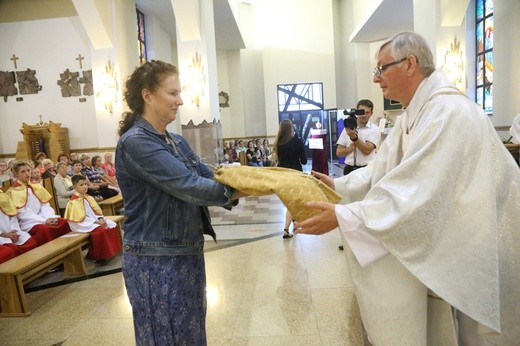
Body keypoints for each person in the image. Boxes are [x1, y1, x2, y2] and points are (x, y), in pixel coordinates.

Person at [295, 32, 520, 345]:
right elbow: (382, 170)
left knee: (466, 332)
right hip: (446, 236)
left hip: (470, 242)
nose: (376, 79)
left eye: (381, 68)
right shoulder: (412, 115)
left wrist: (346, 216)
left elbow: (418, 188)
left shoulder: (448, 113)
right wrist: (337, 185)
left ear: (410, 64)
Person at [115, 60, 241, 345]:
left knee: (191, 331)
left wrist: (252, 181)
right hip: (153, 258)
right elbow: (189, 186)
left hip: (186, 251)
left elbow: (209, 175)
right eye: (172, 93)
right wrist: (244, 191)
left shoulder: (175, 141)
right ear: (147, 95)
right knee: (163, 336)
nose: (180, 100)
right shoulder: (136, 143)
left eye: (179, 92)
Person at [7, 161, 71, 246]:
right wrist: (43, 221)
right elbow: (22, 213)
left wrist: (49, 217)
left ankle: (68, 250)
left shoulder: (36, 187)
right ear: (16, 174)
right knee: (44, 229)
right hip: (28, 222)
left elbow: (44, 204)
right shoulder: (13, 191)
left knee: (63, 222)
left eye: (28, 170)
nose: (27, 173)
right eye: (23, 172)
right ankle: (51, 254)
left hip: (43, 217)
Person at [64, 175, 121, 262]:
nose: (85, 187)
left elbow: (95, 212)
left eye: (86, 184)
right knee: (99, 231)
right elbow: (80, 218)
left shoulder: (88, 197)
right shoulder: (73, 201)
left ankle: (112, 251)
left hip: (92, 221)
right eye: (81, 185)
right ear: (75, 187)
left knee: (111, 224)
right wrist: (96, 222)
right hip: (80, 224)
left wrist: (100, 218)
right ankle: (96, 256)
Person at [273, 119, 307, 239]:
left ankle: (295, 223)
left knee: (290, 200)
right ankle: (286, 229)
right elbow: (304, 161)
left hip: (282, 174)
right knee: (292, 202)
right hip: (295, 174)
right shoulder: (297, 142)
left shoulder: (278, 143)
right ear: (291, 128)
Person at [336, 99, 381, 175]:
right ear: (356, 112)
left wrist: (354, 138)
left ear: (371, 113)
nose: (363, 115)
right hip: (348, 169)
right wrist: (349, 149)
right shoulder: (347, 129)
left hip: (366, 170)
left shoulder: (374, 129)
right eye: (361, 112)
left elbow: (367, 151)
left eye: (367, 112)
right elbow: (339, 153)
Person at [0, 190, 38, 264]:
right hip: (2, 237)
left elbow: (12, 215)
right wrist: (5, 235)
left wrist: (14, 232)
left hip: (12, 232)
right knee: (11, 250)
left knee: (31, 242)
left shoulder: (3, 196)